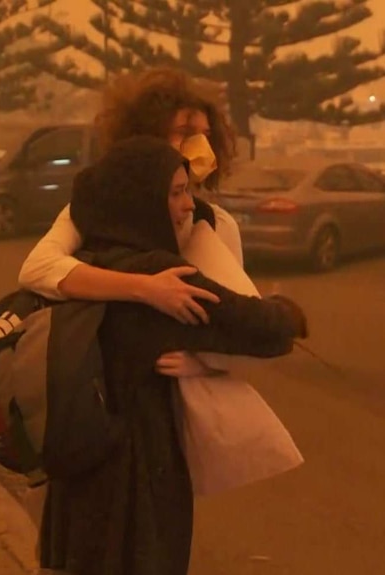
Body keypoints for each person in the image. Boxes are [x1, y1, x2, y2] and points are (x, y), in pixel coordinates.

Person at [38, 135, 307, 575]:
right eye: (177, 193)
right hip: (135, 489)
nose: (187, 205)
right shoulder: (160, 278)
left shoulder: (86, 264)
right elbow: (262, 331)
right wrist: (288, 312)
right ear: (142, 201)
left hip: (77, 477)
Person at [18, 67, 241, 328]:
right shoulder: (98, 206)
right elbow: (38, 269)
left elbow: (240, 319)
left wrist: (203, 364)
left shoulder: (218, 224)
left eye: (206, 135)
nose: (201, 146)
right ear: (146, 135)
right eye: (184, 132)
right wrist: (146, 288)